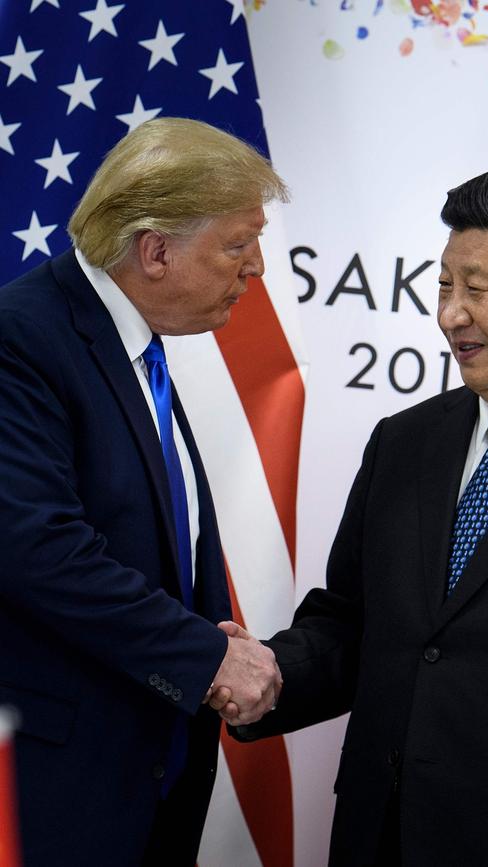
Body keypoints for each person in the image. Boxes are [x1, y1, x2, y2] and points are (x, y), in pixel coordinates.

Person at [226, 165, 488, 866]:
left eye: (476, 289)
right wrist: (261, 672)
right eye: (445, 286)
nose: (451, 313)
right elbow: (351, 624)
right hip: (378, 837)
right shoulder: (405, 440)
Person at [0, 117, 285, 867]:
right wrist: (205, 656)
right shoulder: (22, 336)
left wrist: (204, 639)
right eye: (236, 244)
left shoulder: (135, 344)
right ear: (156, 249)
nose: (254, 267)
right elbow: (37, 548)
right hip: (58, 789)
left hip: (150, 777)